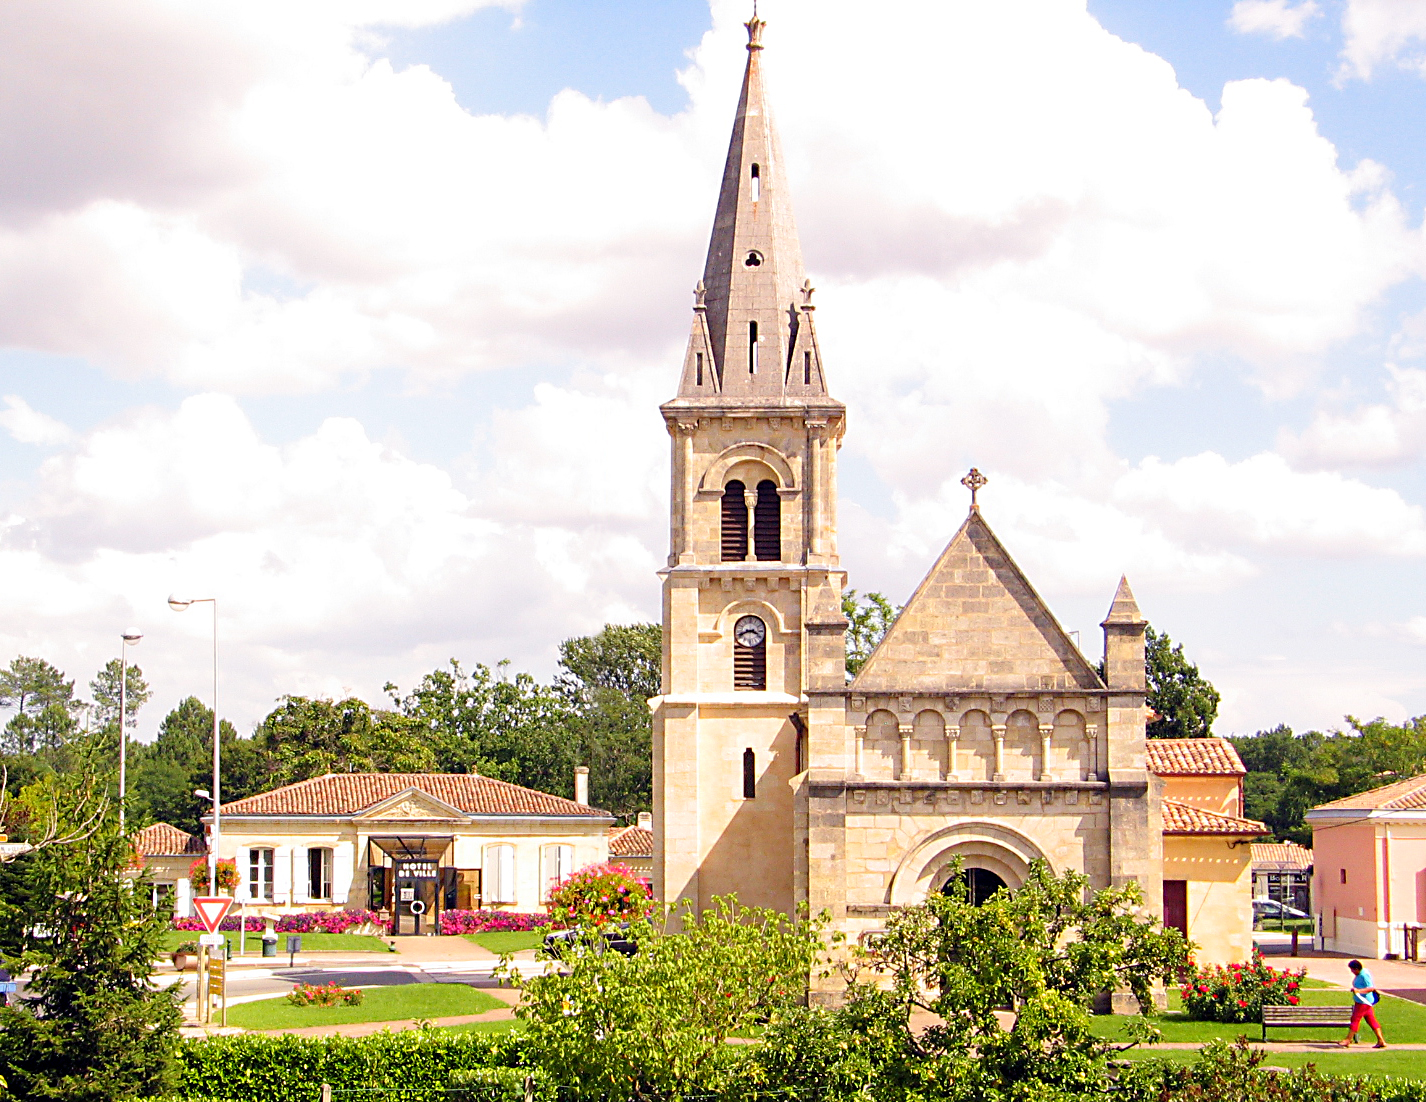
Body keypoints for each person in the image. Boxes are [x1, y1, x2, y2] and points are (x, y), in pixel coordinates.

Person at [1339, 959, 1387, 1048]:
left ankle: (1348, 1040)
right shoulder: (1361, 973)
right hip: (1361, 1001)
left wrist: (1359, 991)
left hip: (1363, 1002)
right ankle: (1381, 1040)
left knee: (1355, 1019)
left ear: (1357, 969)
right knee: (1371, 1020)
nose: (1352, 972)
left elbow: (1371, 988)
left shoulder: (1364, 975)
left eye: (1353, 970)